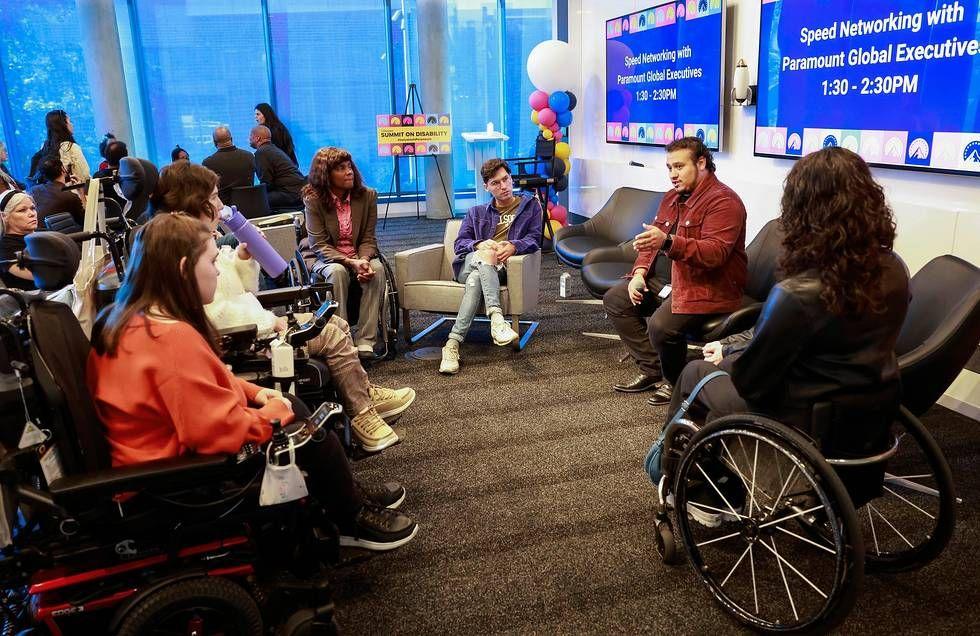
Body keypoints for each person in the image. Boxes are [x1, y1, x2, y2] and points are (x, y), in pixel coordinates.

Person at [87, 213, 418, 550]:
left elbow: (206, 378)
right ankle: (350, 515)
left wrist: (257, 393)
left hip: (151, 455)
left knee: (298, 409)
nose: (218, 271)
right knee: (309, 432)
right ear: (185, 268)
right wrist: (270, 414)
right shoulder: (171, 339)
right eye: (213, 261)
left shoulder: (128, 320)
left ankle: (343, 495)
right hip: (176, 474)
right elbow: (215, 431)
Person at [658, 147, 909, 485]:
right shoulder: (894, 268)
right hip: (868, 406)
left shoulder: (797, 293)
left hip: (802, 415)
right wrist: (734, 348)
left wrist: (729, 354)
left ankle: (678, 476)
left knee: (696, 373)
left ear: (801, 209)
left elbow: (752, 383)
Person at [153, 161, 411, 452]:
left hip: (253, 322)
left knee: (335, 323)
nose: (221, 203)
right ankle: (363, 414)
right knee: (332, 334)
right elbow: (213, 314)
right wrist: (268, 323)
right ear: (196, 202)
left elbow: (241, 290)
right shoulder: (185, 249)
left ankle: (361, 391)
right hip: (245, 338)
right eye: (214, 197)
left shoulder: (201, 240)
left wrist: (243, 257)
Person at [604, 137, 746, 404]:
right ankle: (653, 368)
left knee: (661, 327)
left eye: (679, 167)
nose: (672, 174)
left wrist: (668, 242)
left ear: (702, 163)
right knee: (617, 299)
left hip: (709, 288)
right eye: (669, 167)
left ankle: (678, 381)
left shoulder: (724, 202)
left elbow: (714, 254)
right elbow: (650, 241)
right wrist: (638, 274)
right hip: (674, 280)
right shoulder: (671, 197)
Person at [438, 158, 542, 375]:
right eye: (496, 183)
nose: (503, 186)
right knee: (484, 255)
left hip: (501, 270)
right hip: (468, 265)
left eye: (506, 179)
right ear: (486, 187)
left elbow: (535, 239)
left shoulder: (530, 206)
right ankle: (496, 318)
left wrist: (514, 245)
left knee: (477, 279)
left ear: (511, 178)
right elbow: (459, 244)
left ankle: (452, 345)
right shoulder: (476, 212)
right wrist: (478, 244)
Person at [303, 147, 385, 358]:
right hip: (327, 257)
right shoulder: (313, 200)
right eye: (341, 168)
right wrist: (350, 262)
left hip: (359, 254)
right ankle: (342, 337)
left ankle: (366, 339)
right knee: (337, 272)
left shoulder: (367, 196)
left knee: (377, 269)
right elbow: (319, 244)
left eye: (349, 167)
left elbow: (368, 238)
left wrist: (364, 260)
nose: (349, 172)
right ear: (326, 175)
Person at [251, 125, 305, 209]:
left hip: (289, 194)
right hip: (298, 191)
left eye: (251, 136)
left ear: (257, 138)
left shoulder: (261, 152)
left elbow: (266, 182)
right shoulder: (274, 149)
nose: (249, 139)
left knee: (255, 200)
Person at [30, 110, 90, 184]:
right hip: (71, 193)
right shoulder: (70, 147)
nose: (72, 124)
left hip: (48, 192)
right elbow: (84, 175)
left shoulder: (45, 146)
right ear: (63, 125)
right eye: (69, 121)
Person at [202, 126, 256, 205]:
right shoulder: (249, 156)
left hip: (224, 210)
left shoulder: (208, 163)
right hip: (251, 205)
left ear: (214, 142)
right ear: (231, 139)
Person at [28, 156, 85, 226]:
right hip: (64, 236)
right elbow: (86, 221)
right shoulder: (71, 197)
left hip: (38, 235)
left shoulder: (33, 191)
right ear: (63, 169)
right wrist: (81, 192)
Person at [0, 191, 39, 290]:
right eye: (22, 210)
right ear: (5, 217)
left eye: (33, 208)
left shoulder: (41, 234)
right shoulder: (5, 248)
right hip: (40, 300)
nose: (31, 214)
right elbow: (45, 277)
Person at [92, 140, 129, 213]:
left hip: (107, 219)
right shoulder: (130, 175)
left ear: (106, 156)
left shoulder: (97, 177)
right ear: (125, 157)